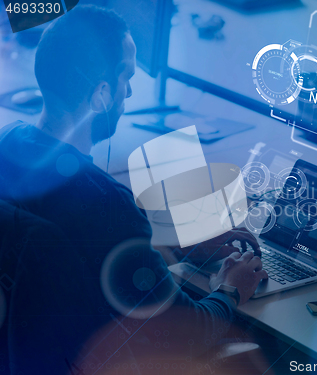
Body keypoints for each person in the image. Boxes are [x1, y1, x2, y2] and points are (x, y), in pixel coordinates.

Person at [0, 5, 267, 374]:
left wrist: (177, 244)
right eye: (125, 75)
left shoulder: (6, 143)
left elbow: (84, 240)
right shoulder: (106, 205)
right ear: (101, 96)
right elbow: (184, 333)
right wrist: (229, 289)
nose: (130, 88)